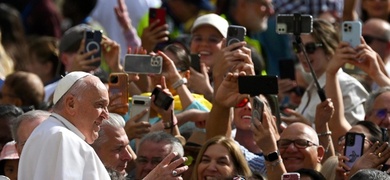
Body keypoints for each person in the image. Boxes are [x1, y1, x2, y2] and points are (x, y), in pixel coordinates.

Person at [18, 71, 111, 179]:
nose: (106, 115)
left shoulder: (44, 133)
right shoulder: (63, 138)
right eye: (100, 105)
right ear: (71, 104)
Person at [286, 19, 368, 126]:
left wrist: (308, 127)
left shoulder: (348, 87)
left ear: (330, 48)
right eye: (298, 48)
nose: (302, 54)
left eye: (310, 48)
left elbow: (351, 136)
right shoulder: (312, 87)